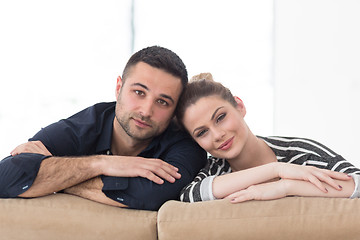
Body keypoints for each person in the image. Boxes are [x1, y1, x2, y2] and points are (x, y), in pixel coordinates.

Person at [0, 46, 207, 211]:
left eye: (162, 102)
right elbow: (7, 175)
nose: (146, 111)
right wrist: (102, 164)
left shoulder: (186, 142)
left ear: (174, 111)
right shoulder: (84, 127)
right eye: (139, 92)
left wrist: (59, 177)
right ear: (119, 88)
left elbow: (152, 195)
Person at [176, 73, 360, 203]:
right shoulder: (215, 169)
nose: (217, 135)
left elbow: (357, 181)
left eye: (221, 117)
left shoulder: (301, 154)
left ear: (239, 106)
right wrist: (275, 170)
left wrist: (286, 187)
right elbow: (189, 195)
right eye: (202, 133)